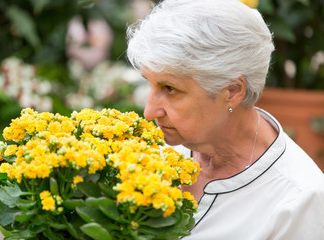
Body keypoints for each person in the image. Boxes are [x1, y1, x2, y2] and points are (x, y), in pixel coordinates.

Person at [126, 0, 324, 239]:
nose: (149, 112)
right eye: (150, 83)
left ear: (232, 90)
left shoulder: (297, 200)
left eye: (169, 88)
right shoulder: (148, 149)